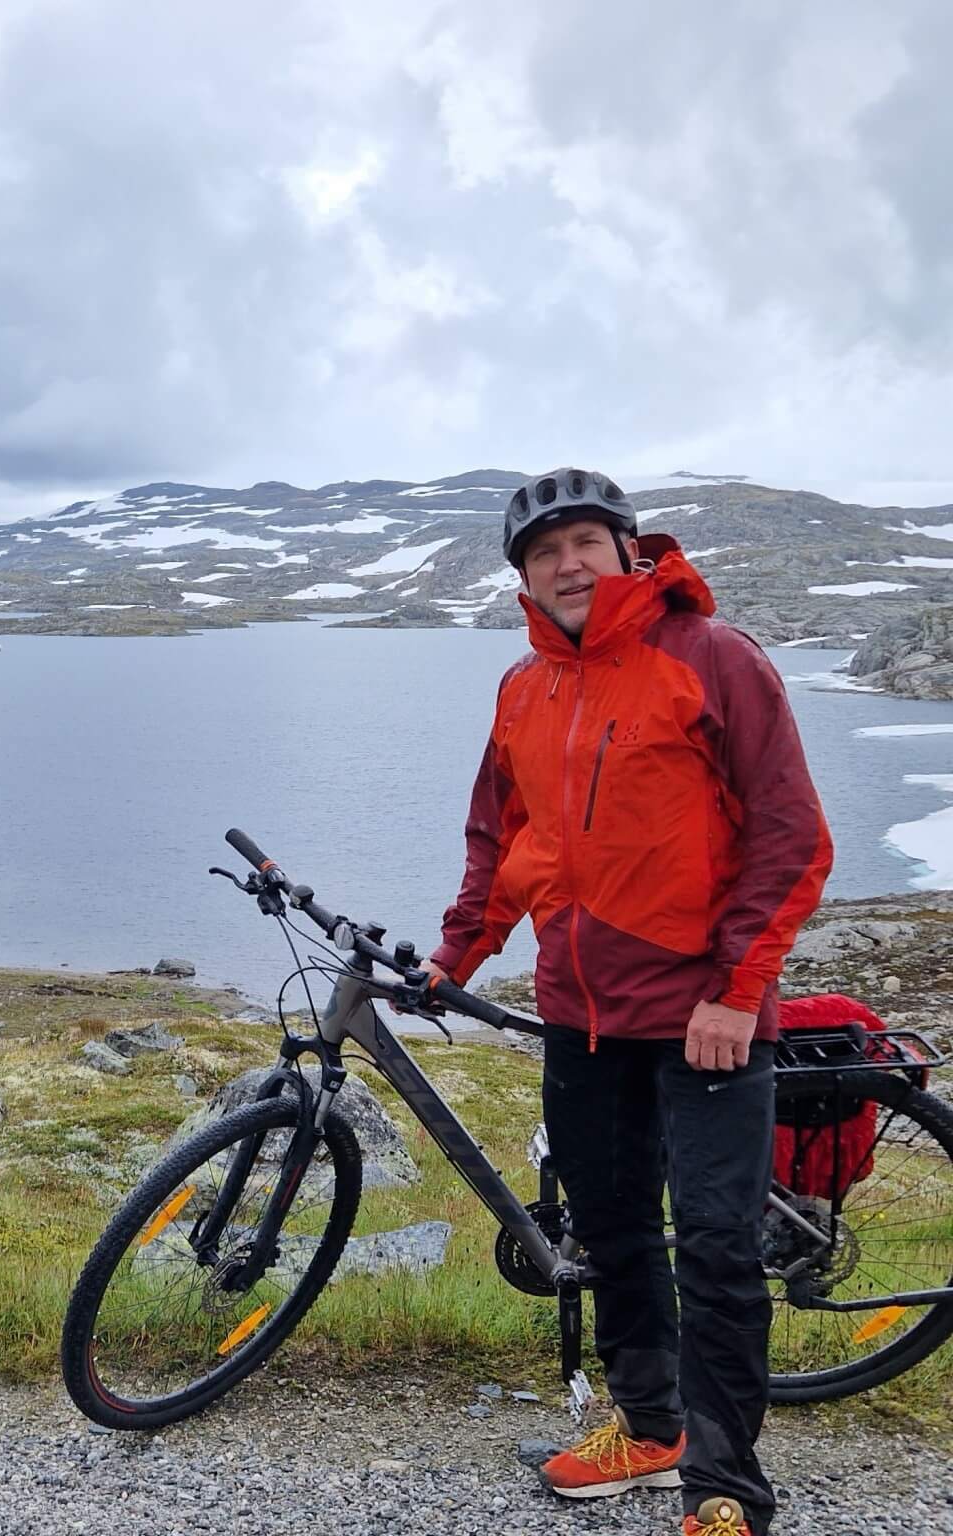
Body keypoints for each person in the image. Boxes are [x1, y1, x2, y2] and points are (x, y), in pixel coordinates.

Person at [420, 468, 833, 1536]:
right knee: (610, 1236)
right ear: (520, 574)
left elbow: (790, 836)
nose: (565, 563)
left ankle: (724, 1491)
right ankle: (647, 1428)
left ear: (623, 550)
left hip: (703, 1019)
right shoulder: (523, 687)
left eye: (582, 543)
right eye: (540, 551)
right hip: (579, 1016)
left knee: (713, 1249)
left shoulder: (708, 658)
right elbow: (499, 837)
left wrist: (737, 993)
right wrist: (458, 955)